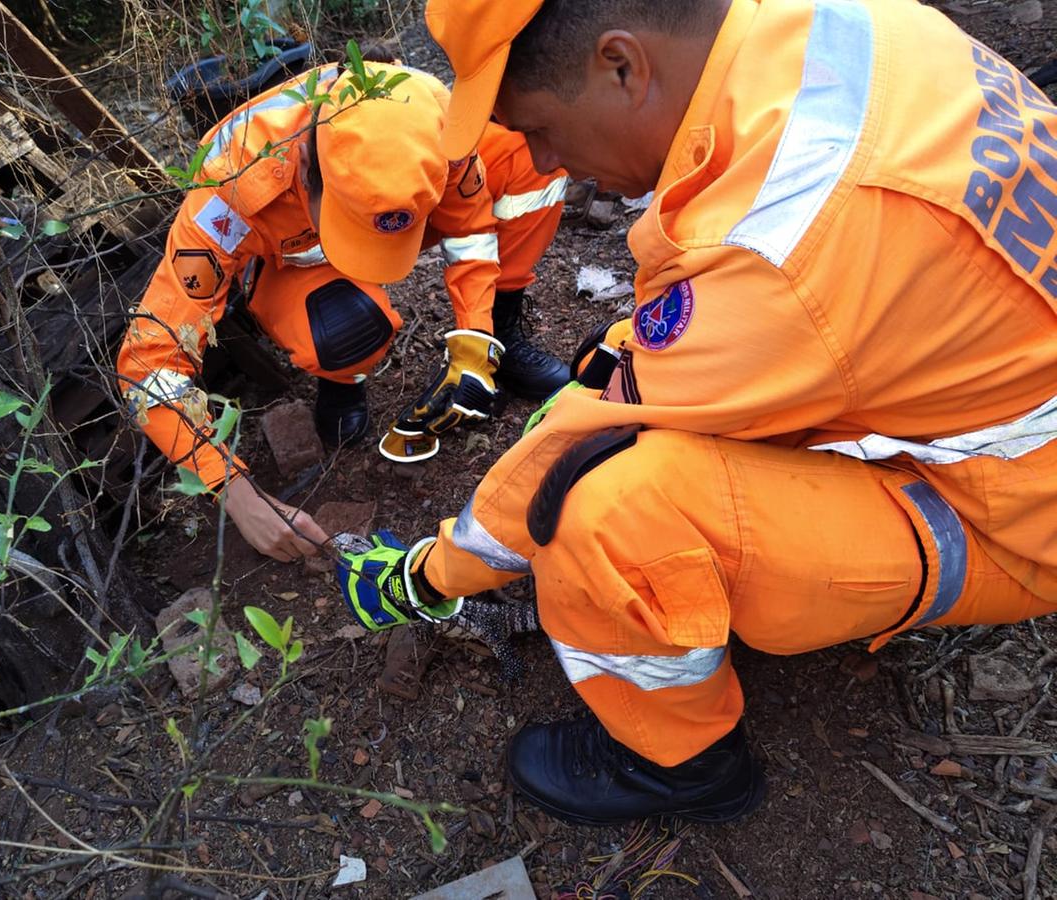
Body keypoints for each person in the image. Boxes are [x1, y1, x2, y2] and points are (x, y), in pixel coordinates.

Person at [335, 0, 1057, 826]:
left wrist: (432, 574)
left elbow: (583, 439)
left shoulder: (789, 245)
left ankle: (675, 761)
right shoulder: (851, 28)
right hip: (980, 385)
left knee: (603, 504)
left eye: (535, 128)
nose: (540, 161)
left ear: (621, 65)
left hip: (1015, 517)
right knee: (610, 390)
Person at [117, 57, 570, 562]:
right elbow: (147, 364)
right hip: (299, 262)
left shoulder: (434, 124)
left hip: (411, 216)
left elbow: (471, 226)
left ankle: (503, 338)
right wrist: (235, 492)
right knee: (347, 328)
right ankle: (343, 377)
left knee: (527, 159)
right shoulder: (232, 189)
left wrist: (476, 339)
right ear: (307, 171)